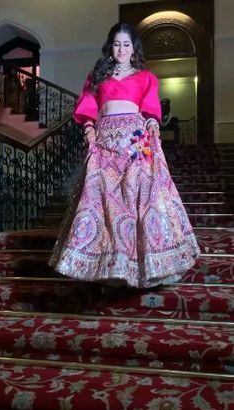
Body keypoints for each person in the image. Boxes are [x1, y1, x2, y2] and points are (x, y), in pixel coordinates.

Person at [49, 22, 200, 288]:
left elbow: (151, 110)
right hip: (104, 143)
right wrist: (88, 129)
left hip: (134, 144)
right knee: (105, 204)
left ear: (134, 49)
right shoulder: (96, 76)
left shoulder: (145, 77)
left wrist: (153, 123)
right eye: (117, 44)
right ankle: (110, 267)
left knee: (135, 201)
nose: (121, 49)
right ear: (111, 47)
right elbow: (88, 108)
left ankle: (144, 267)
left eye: (126, 44)